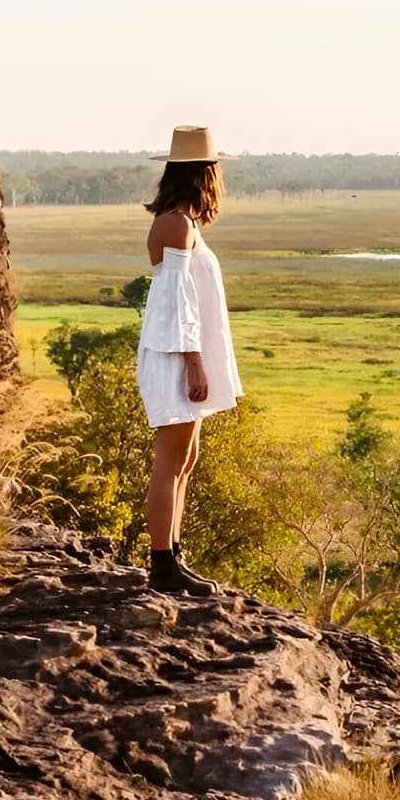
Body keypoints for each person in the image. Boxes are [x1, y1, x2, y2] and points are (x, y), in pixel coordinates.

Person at [136, 124, 242, 595]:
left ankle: (174, 556)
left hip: (181, 350)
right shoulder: (176, 224)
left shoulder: (184, 222)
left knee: (186, 456)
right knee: (171, 458)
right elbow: (175, 302)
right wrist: (194, 362)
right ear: (204, 173)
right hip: (175, 354)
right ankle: (162, 565)